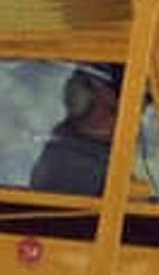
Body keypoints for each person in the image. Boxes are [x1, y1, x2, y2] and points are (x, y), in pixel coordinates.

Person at [26, 62, 123, 193]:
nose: (75, 86)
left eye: (88, 82)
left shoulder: (63, 142)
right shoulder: (69, 160)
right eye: (82, 79)